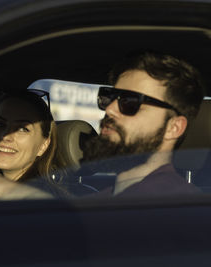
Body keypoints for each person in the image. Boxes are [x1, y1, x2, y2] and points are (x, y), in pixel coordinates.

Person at [82, 51, 206, 196]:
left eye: (130, 102)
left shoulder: (181, 210)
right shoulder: (94, 202)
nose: (110, 109)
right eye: (110, 97)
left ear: (174, 128)